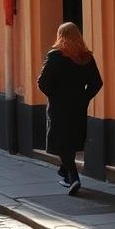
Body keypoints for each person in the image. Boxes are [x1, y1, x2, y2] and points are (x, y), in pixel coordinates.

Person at [37, 22, 103, 196]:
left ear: (60, 35)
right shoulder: (86, 57)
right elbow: (97, 83)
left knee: (60, 142)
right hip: (78, 107)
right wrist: (84, 97)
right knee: (70, 140)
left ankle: (73, 178)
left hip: (59, 107)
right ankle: (64, 172)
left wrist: (54, 95)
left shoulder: (55, 56)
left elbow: (42, 83)